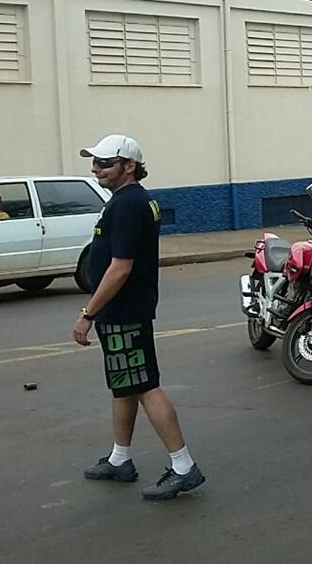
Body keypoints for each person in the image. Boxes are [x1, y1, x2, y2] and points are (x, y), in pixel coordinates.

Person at [70, 134, 206, 500]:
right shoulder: (129, 201)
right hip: (124, 311)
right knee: (125, 384)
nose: (95, 168)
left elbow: (120, 267)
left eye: (104, 162)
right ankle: (119, 458)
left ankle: (183, 466)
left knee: (144, 385)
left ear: (129, 166)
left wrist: (88, 313)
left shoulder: (128, 204)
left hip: (124, 311)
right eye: (94, 162)